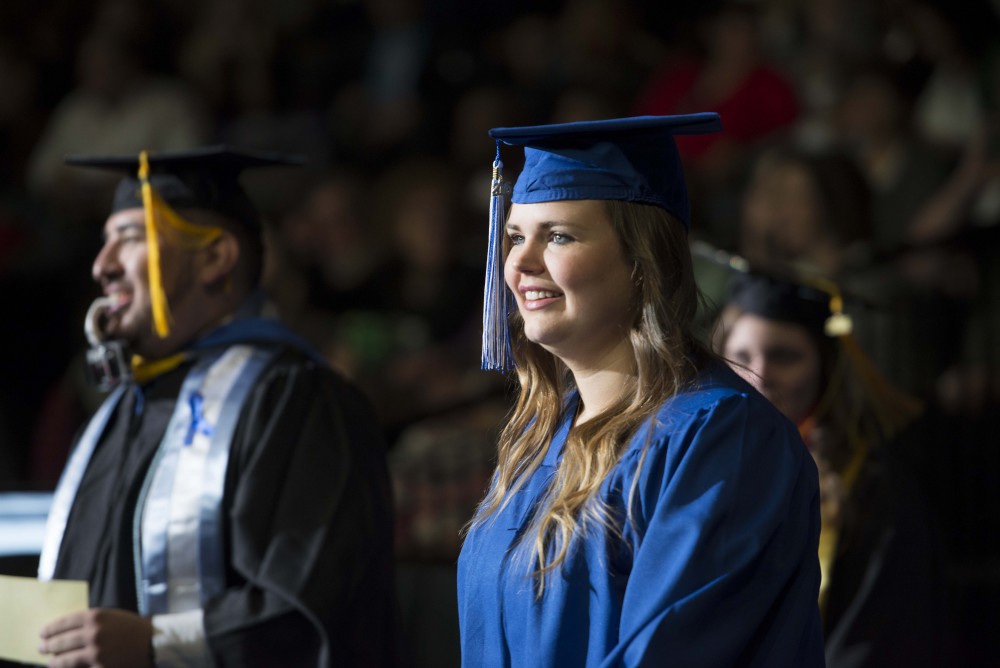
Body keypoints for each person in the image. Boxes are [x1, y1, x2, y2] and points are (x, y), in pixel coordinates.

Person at [457, 113, 825, 666]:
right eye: (514, 236)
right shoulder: (539, 441)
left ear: (641, 262)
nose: (521, 263)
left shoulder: (719, 437)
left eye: (558, 235)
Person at [35, 147, 401, 667]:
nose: (102, 266)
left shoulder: (298, 402)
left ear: (215, 258)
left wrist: (154, 643)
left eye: (131, 237)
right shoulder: (120, 412)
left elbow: (307, 610)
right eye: (105, 240)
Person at [714, 268, 946, 667]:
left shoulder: (873, 488)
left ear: (826, 368)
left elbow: (878, 640)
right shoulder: (697, 467)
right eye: (741, 356)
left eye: (785, 356)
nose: (761, 375)